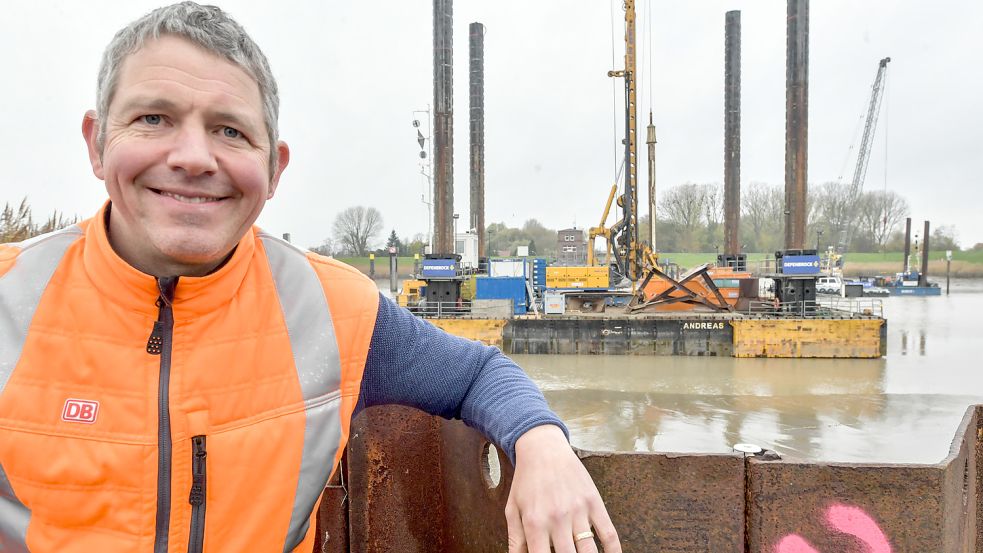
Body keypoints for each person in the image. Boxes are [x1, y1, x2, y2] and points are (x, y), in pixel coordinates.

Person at [0, 3, 621, 553]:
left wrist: (541, 441)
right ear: (96, 141)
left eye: (230, 130)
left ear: (274, 170)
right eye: (153, 119)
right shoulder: (8, 296)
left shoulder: (333, 314)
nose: (192, 157)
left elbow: (479, 371)